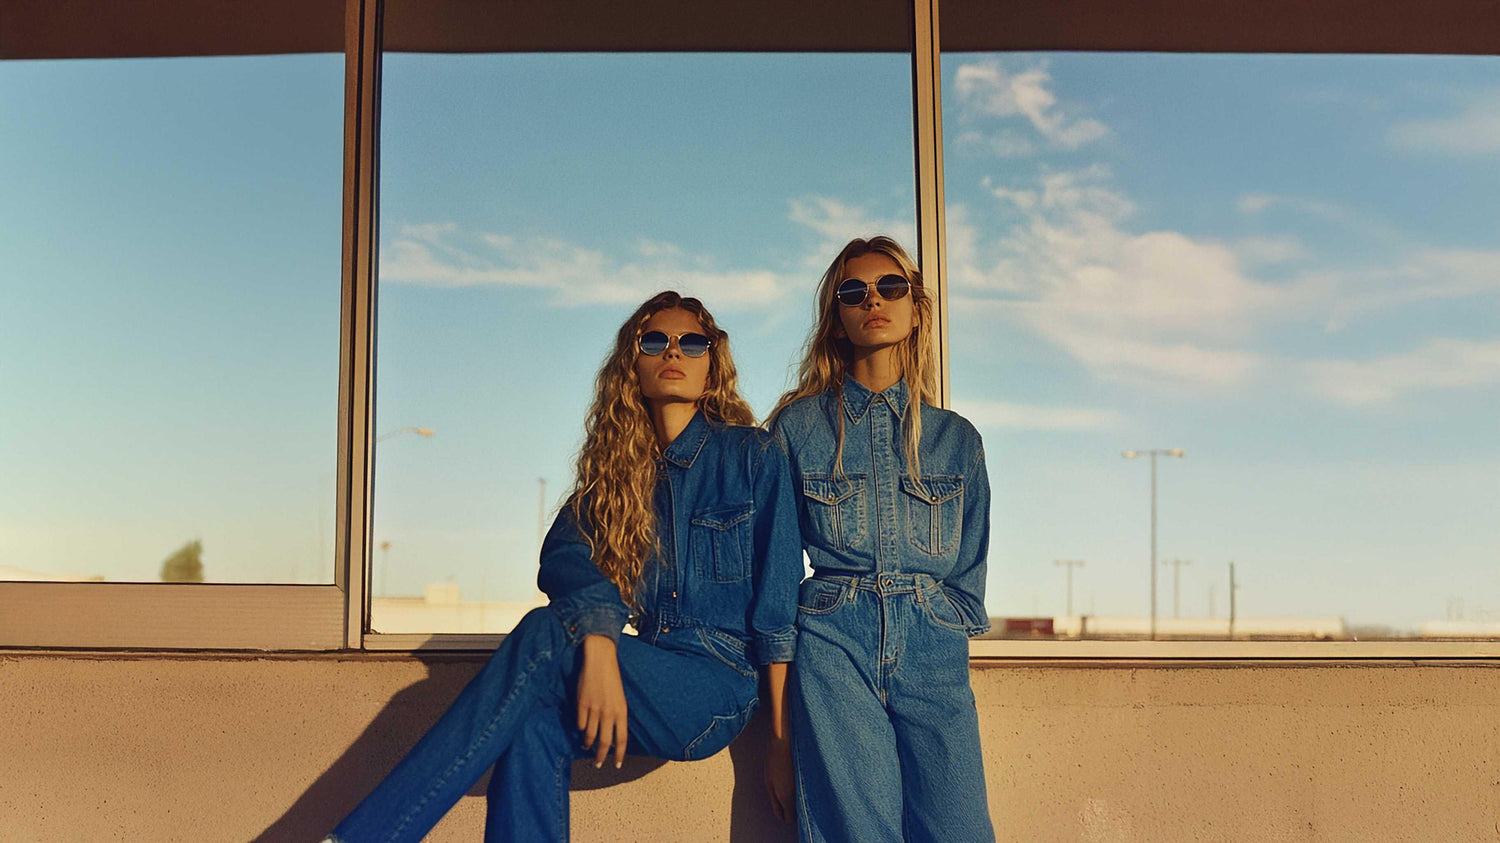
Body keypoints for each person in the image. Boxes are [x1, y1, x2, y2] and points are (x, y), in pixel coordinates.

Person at [327, 291, 802, 842]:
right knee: (532, 728)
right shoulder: (613, 482)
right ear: (634, 362)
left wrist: (780, 742)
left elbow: (777, 612)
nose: (674, 351)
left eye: (691, 343)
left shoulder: (752, 455)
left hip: (718, 687)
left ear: (711, 365)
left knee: (543, 630)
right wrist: (601, 638)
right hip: (646, 668)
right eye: (656, 341)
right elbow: (562, 558)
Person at [767, 236, 995, 842]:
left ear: (916, 308)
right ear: (837, 320)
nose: (874, 299)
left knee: (961, 831)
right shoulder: (798, 428)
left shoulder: (956, 440)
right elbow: (776, 578)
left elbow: (968, 581)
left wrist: (935, 622)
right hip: (833, 643)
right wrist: (779, 736)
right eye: (854, 291)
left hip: (932, 652)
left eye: (891, 287)